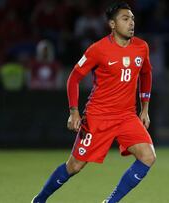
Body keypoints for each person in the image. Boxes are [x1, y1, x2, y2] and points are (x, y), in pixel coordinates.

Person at [32, 2, 156, 203]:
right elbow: (73, 78)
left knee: (148, 156)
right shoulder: (98, 49)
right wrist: (74, 111)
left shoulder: (141, 47)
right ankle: (39, 200)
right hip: (98, 117)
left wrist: (145, 108)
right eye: (125, 19)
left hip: (126, 116)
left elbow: (146, 74)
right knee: (74, 166)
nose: (131, 23)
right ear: (112, 24)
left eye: (132, 18)